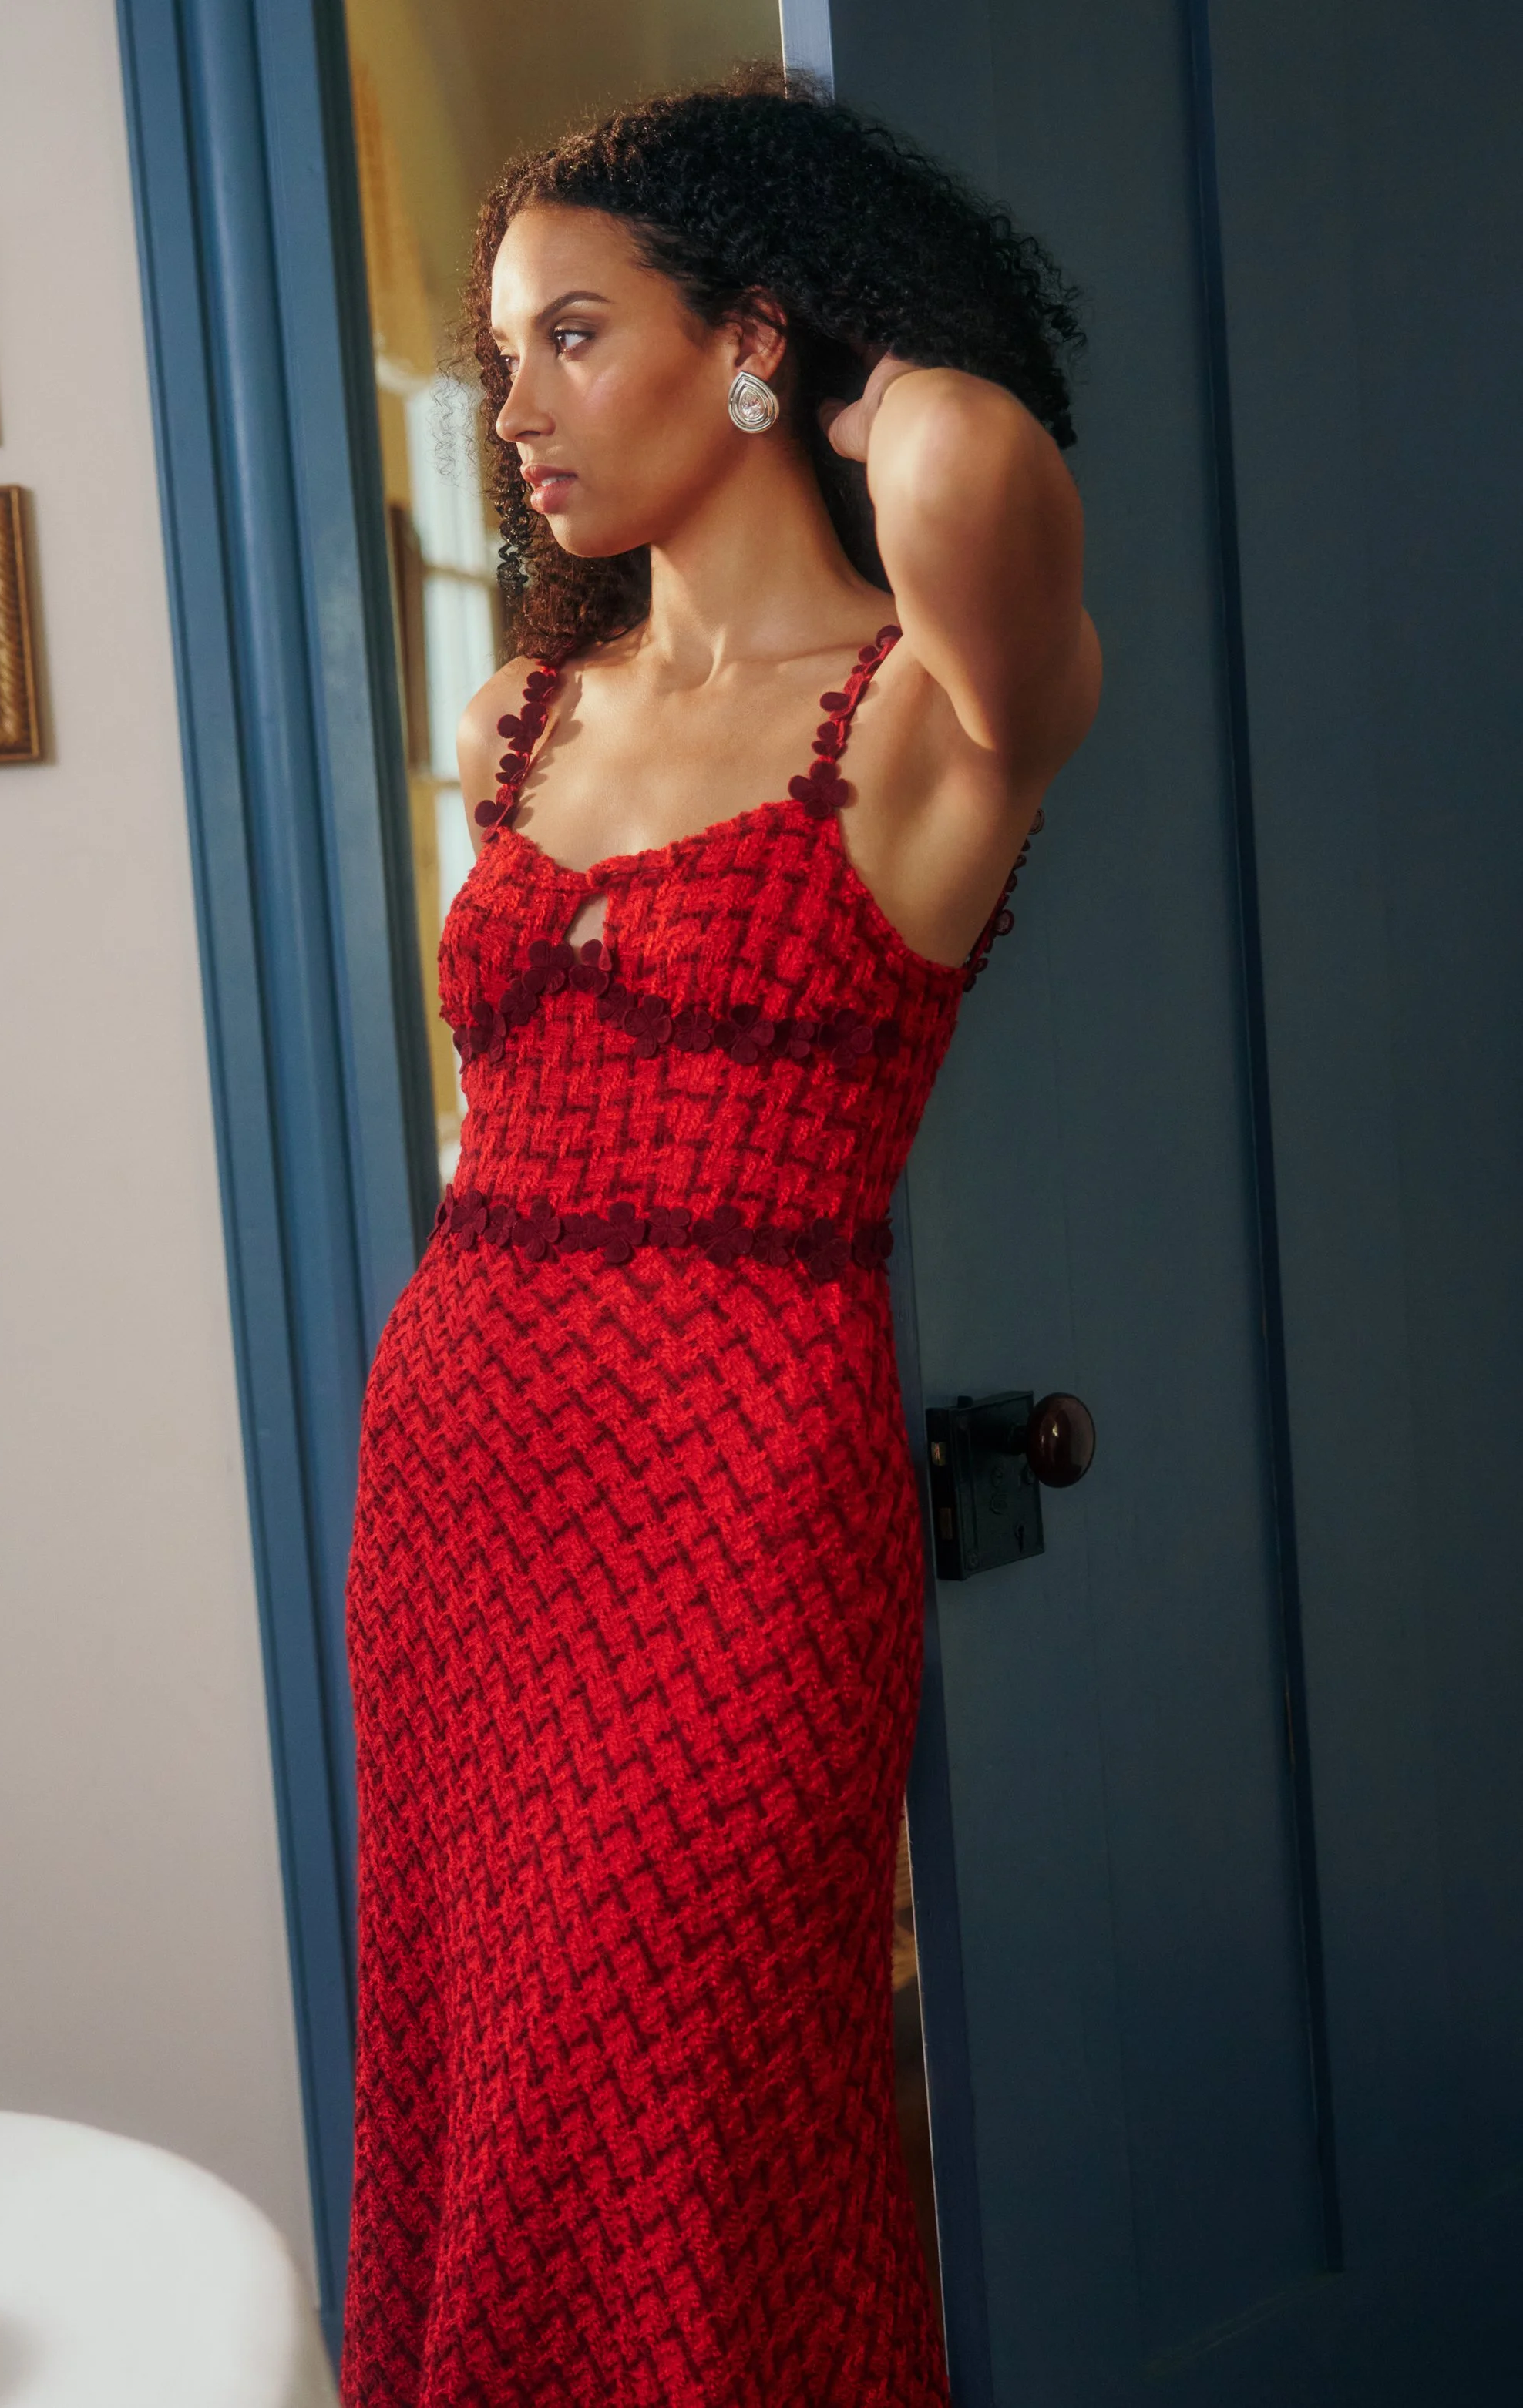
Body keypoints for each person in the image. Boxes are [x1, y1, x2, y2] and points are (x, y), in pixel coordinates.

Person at [341, 68, 1099, 2408]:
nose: (521, 410)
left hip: (738, 1511)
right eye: (497, 359)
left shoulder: (928, 722)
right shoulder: (515, 717)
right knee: (480, 2095)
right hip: (463, 1484)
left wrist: (878, 375)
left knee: (681, 2096)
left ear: (747, 338)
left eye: (574, 333)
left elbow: (968, 445)